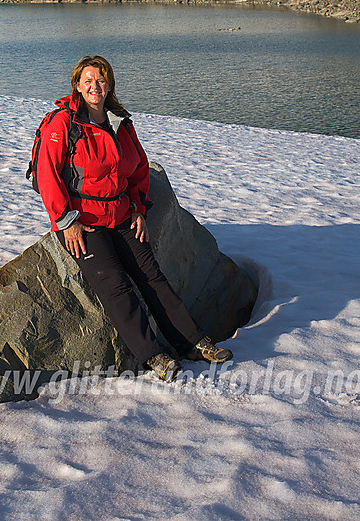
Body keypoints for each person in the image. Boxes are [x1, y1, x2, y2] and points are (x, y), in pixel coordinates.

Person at [36, 55, 233, 382]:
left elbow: (140, 169)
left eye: (100, 80)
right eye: (88, 81)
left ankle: (194, 343)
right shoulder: (63, 123)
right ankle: (153, 355)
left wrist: (139, 209)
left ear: (109, 84)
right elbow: (47, 176)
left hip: (122, 214)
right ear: (77, 85)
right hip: (82, 221)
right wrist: (66, 222)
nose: (95, 86)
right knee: (115, 287)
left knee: (151, 276)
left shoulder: (119, 123)